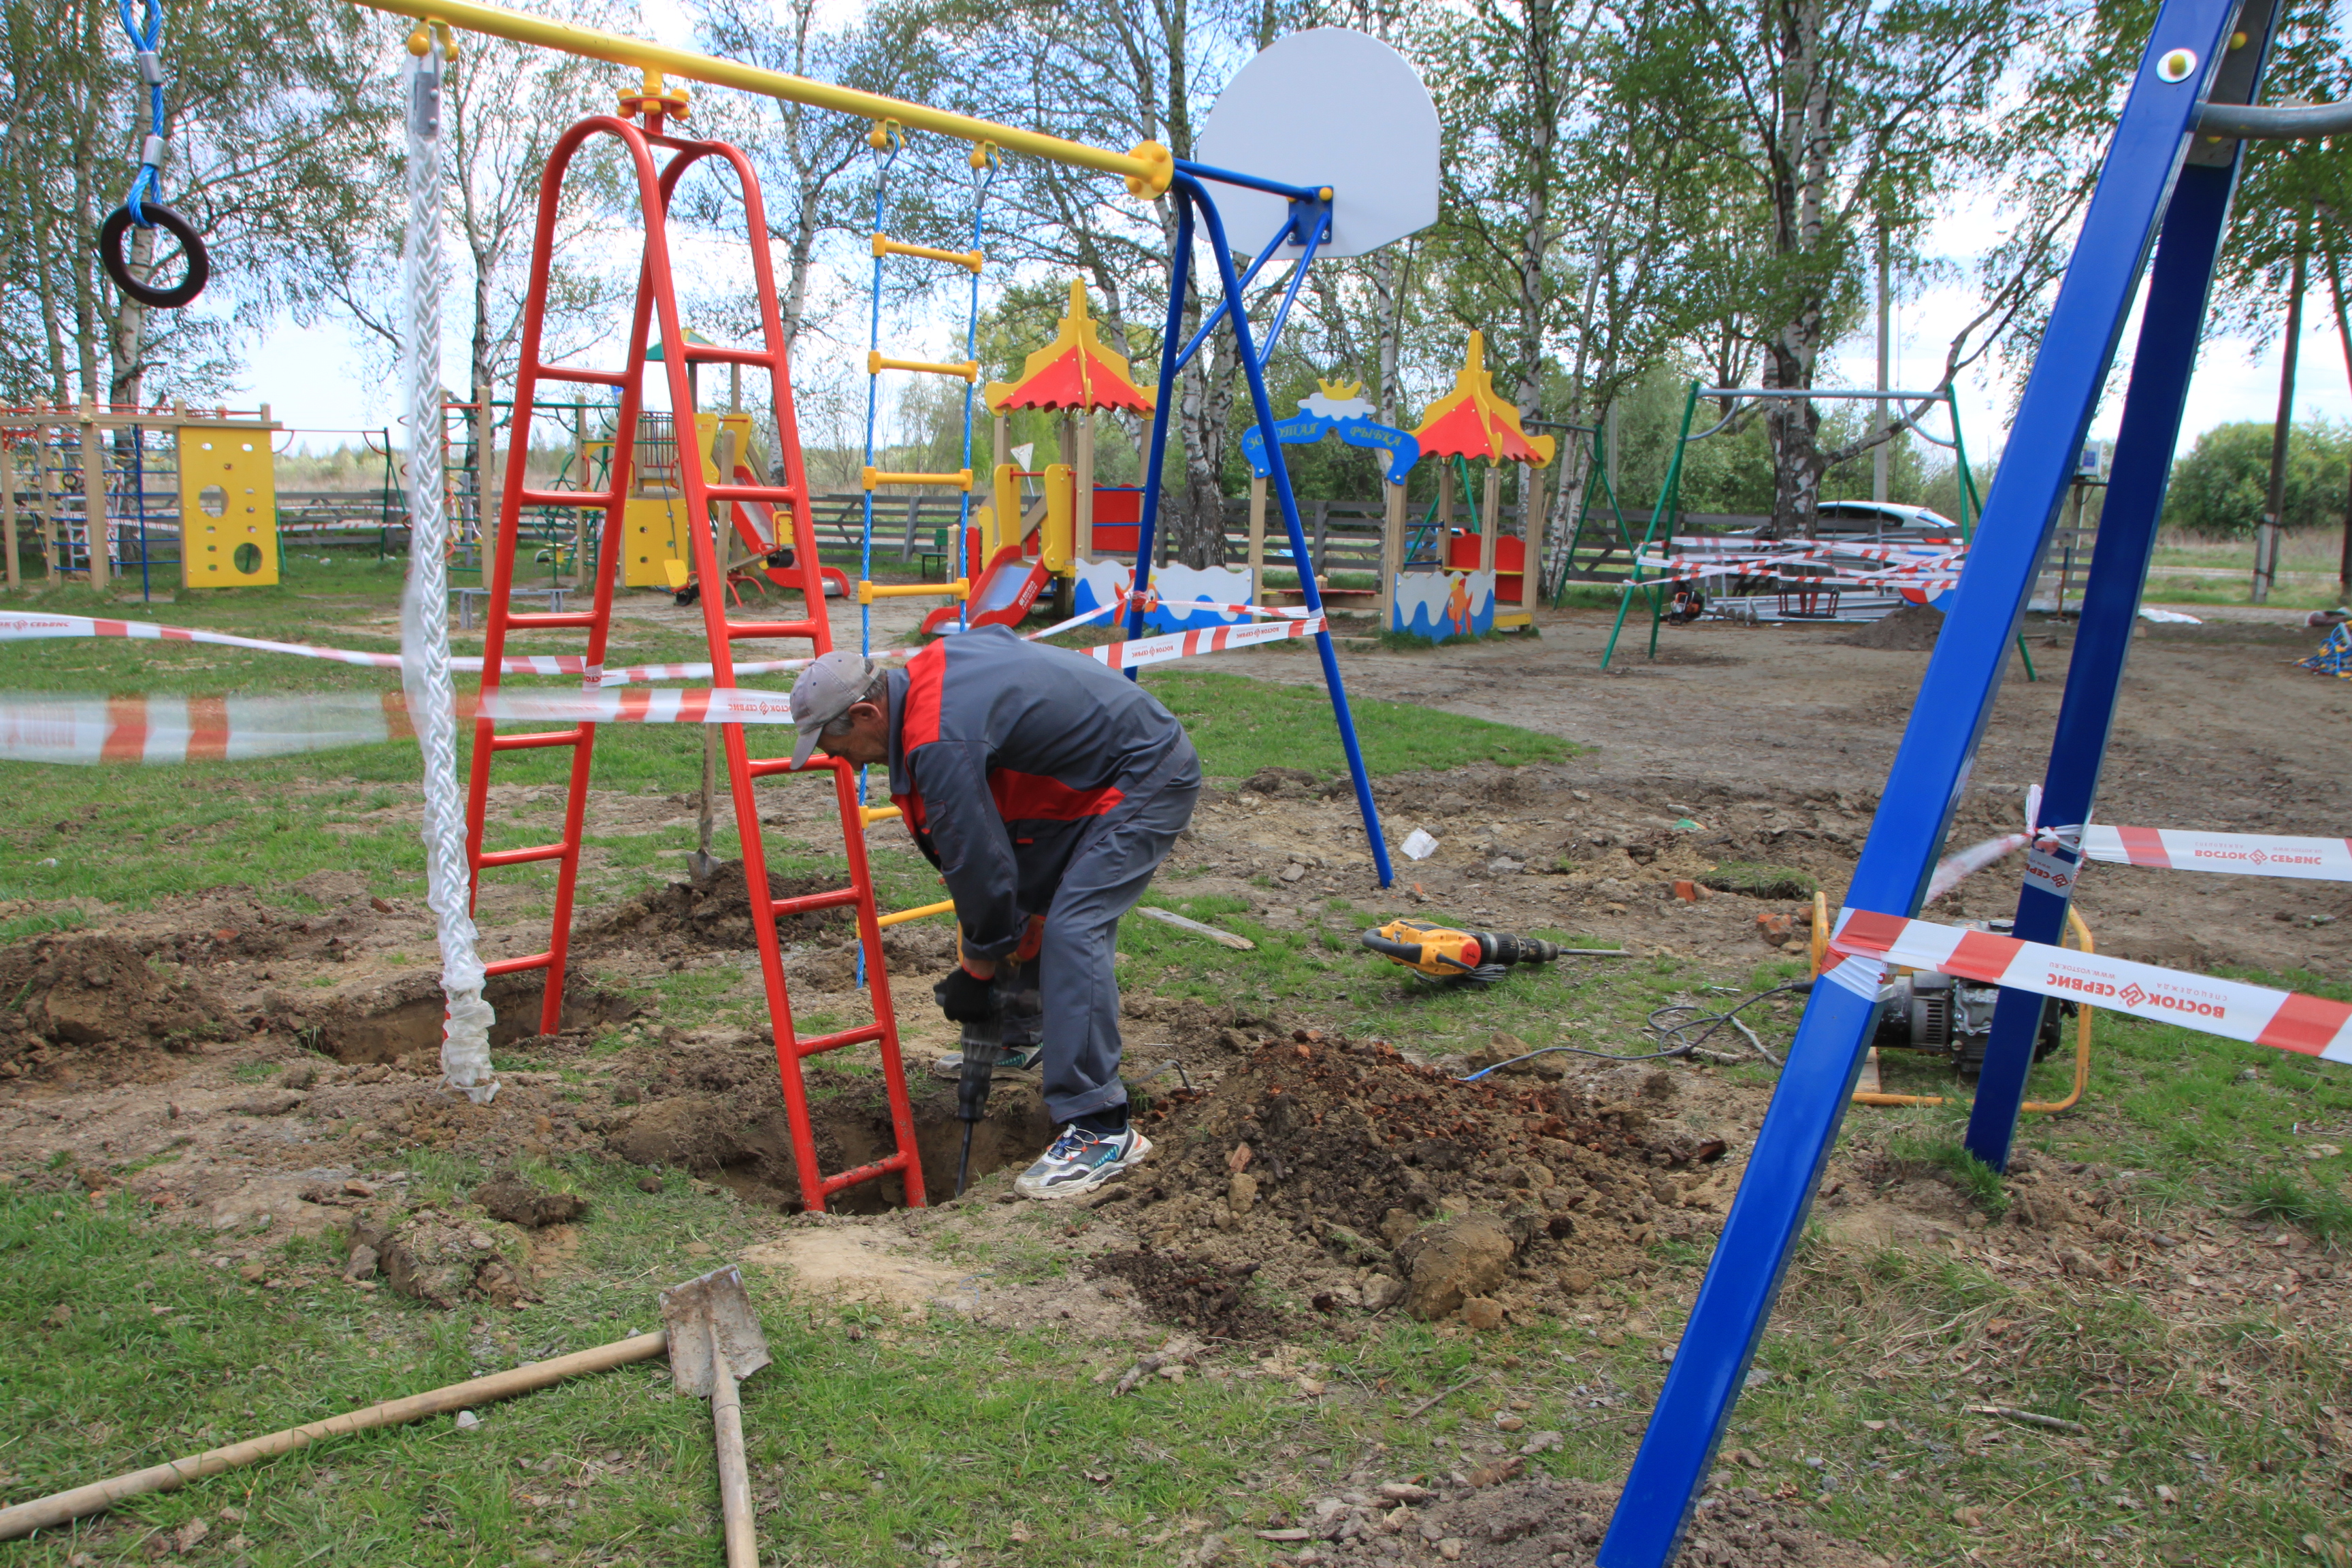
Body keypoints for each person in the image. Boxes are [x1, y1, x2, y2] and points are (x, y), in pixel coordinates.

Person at [787, 626, 1200, 1198]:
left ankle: (1101, 1127)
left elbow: (974, 860)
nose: (836, 758)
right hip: (1083, 773)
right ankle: (1023, 1033)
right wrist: (993, 951)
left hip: (1144, 773)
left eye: (833, 744)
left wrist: (978, 971)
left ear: (865, 714)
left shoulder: (938, 740)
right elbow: (992, 863)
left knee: (1074, 924)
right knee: (1029, 900)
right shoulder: (925, 680)